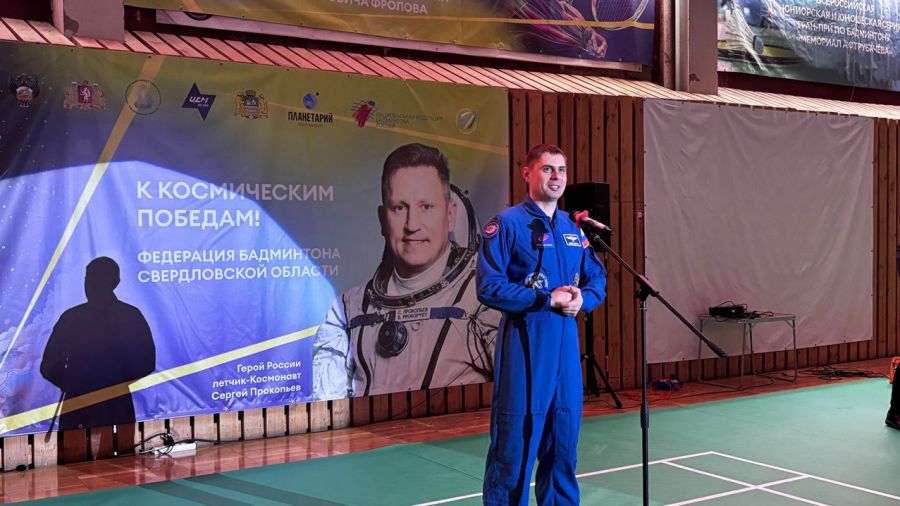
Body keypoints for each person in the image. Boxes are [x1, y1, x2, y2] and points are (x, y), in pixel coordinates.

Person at [313, 143, 499, 399]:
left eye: (426, 207)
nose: (412, 225)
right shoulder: (347, 311)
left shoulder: (486, 296)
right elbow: (329, 407)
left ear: (450, 215)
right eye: (399, 208)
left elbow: (520, 393)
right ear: (383, 219)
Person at [477, 144, 607, 505]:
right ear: (527, 174)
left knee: (563, 447)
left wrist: (583, 300)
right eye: (547, 169)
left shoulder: (573, 228)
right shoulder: (507, 224)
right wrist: (545, 299)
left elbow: (597, 278)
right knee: (514, 448)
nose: (556, 177)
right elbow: (489, 286)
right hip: (525, 347)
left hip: (565, 349)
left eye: (561, 170)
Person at [40, 257, 156, 430]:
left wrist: (80, 383)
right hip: (95, 405)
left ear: (114, 282)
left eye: (95, 279)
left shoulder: (73, 317)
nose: (89, 284)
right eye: (88, 279)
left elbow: (146, 361)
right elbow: (49, 365)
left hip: (99, 405)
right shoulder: (129, 315)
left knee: (114, 447)